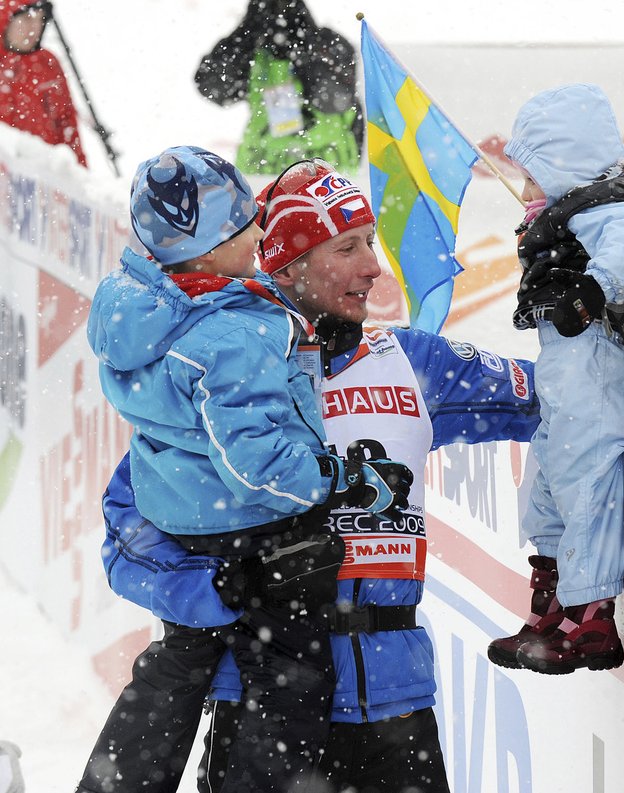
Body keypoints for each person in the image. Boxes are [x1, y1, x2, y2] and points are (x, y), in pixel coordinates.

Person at [89, 160, 541, 793]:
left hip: (394, 705)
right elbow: (129, 534)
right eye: (347, 248)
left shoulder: (409, 361)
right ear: (289, 263)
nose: (372, 269)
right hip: (258, 704)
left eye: (371, 245)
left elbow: (560, 401)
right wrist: (223, 588)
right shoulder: (225, 371)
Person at [82, 147, 411, 793]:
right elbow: (255, 462)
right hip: (253, 526)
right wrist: (340, 477)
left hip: (186, 519)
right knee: (292, 672)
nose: (260, 235)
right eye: (243, 228)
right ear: (207, 250)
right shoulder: (230, 337)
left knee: (179, 664)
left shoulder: (147, 309)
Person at [487, 83, 624, 675]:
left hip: (603, 372)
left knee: (588, 477)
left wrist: (593, 285)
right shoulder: (572, 209)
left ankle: (592, 614)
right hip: (568, 376)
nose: (527, 192)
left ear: (565, 160)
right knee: (548, 477)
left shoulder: (620, 203)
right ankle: (552, 597)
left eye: (534, 175)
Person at [195, 0, 362, 175]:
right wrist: (246, 35)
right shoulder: (254, 51)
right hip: (264, 174)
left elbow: (335, 100)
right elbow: (213, 87)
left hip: (324, 178)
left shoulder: (328, 46)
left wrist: (307, 46)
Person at [0, 0, 86, 166]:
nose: (35, 28)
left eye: (41, 19)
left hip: (45, 177)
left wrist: (79, 173)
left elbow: (67, 125)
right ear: (6, 19)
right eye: (27, 19)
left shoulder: (47, 63)